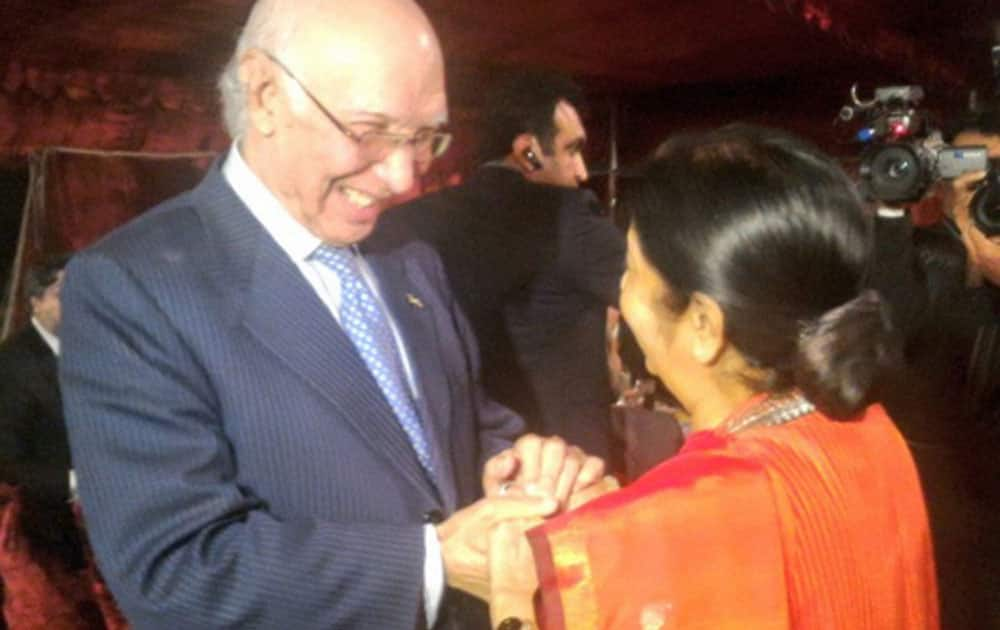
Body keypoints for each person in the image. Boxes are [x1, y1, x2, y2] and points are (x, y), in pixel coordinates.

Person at [57, 1, 602, 629]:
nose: (402, 176)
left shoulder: (410, 256)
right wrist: (432, 563)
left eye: (425, 139)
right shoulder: (135, 285)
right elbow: (177, 570)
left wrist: (520, 465)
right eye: (369, 132)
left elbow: (466, 422)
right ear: (263, 94)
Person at [485, 125, 938, 629]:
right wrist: (625, 510)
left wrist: (512, 592)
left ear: (704, 326)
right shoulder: (874, 435)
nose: (620, 288)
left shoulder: (671, 527)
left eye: (632, 269)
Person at [386, 70, 625, 464]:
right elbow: (668, 301)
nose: (582, 171)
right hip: (567, 472)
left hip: (465, 469)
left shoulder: (411, 223)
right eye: (572, 150)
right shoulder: (568, 219)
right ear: (528, 151)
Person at [869, 103, 1000, 628]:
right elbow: (891, 325)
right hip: (944, 544)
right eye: (980, 192)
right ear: (944, 201)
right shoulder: (924, 271)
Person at [0, 255, 106, 629]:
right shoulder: (12, 364)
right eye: (64, 293)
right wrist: (74, 483)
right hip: (53, 533)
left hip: (110, 509)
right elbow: (7, 461)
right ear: (36, 301)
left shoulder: (97, 347)